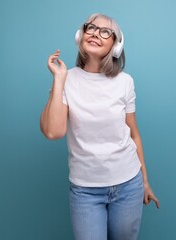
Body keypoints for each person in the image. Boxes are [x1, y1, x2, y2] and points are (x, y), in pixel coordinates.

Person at [40, 13, 159, 240]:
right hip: (85, 191)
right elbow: (53, 131)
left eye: (105, 31)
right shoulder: (67, 80)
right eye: (91, 28)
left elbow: (133, 133)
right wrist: (58, 80)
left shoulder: (125, 82)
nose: (95, 33)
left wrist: (144, 181)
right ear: (80, 36)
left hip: (128, 185)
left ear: (115, 46)